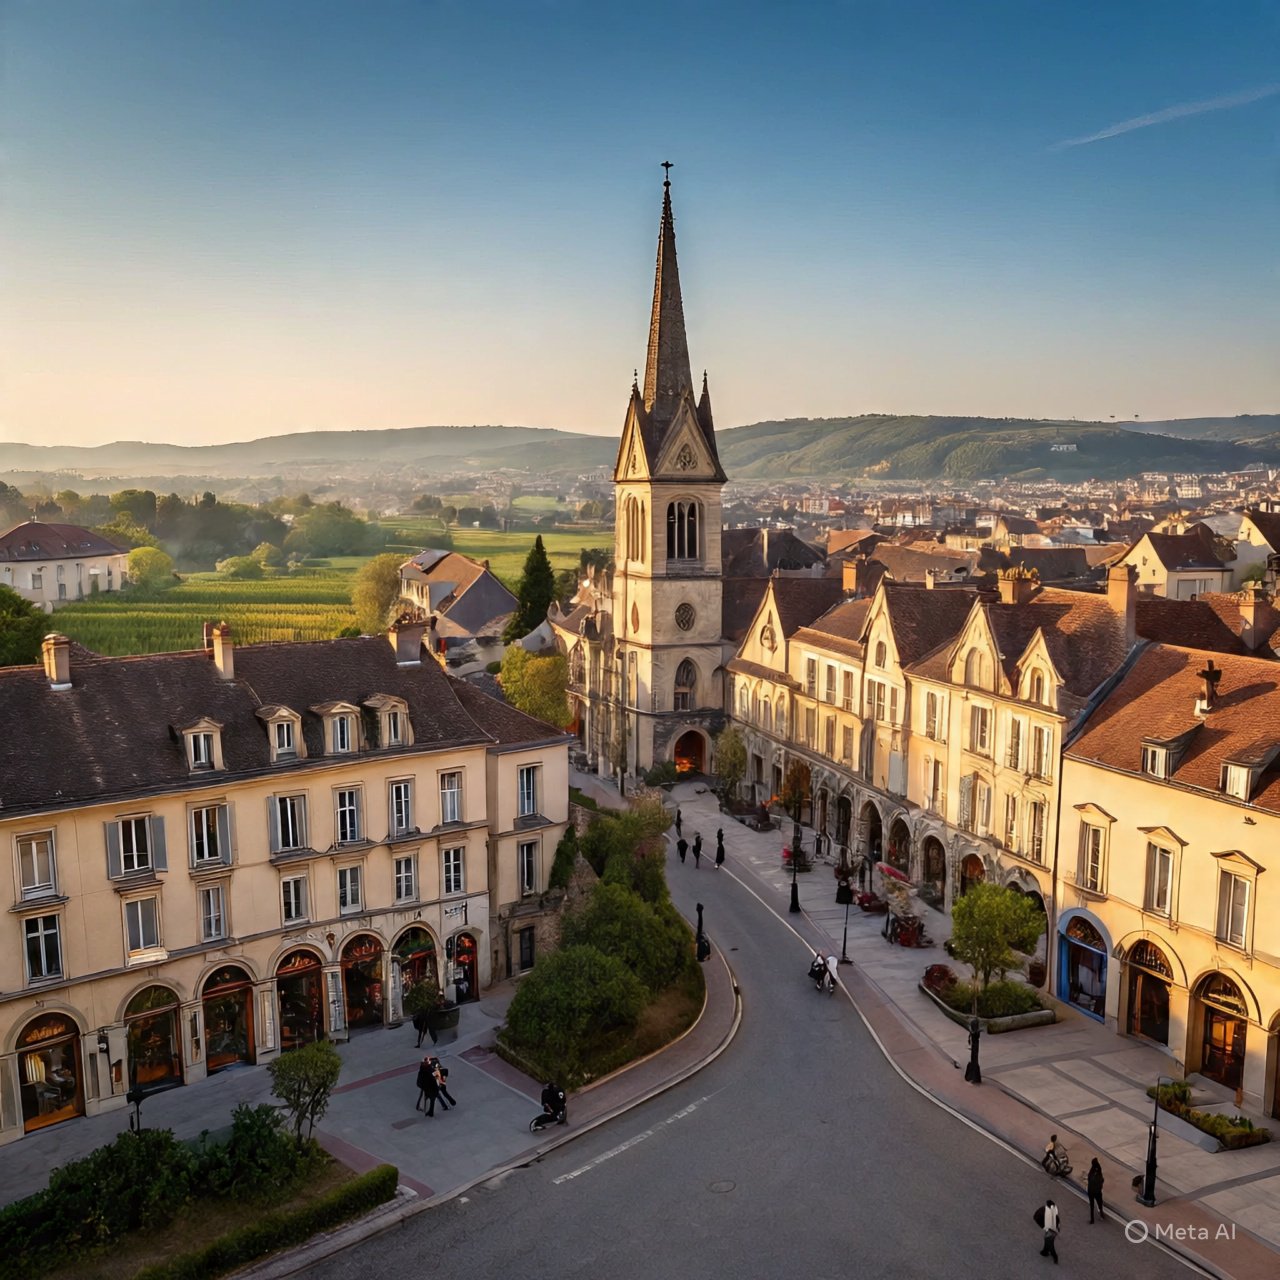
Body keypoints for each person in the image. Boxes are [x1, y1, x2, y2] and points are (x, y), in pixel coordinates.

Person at [1087, 1158, 1105, 1223]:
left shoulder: (1091, 1171)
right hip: (1097, 1191)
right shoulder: (1099, 1170)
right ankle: (1101, 1214)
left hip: (1090, 1191)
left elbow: (1089, 1178)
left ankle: (1092, 1219)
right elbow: (1102, 1180)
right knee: (1100, 1203)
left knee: (1092, 1205)